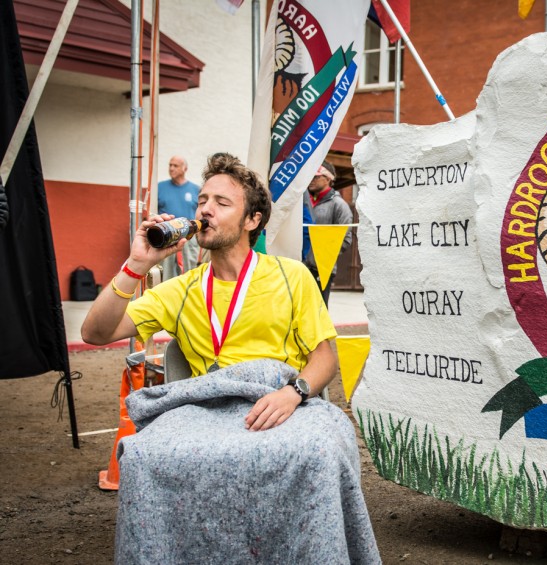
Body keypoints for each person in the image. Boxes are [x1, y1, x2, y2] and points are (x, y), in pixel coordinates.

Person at [82, 152, 337, 430]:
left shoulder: (292, 276)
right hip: (207, 419)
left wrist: (293, 393)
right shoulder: (180, 290)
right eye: (202, 201)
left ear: (252, 220)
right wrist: (135, 265)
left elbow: (324, 358)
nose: (205, 210)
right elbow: (96, 333)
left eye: (221, 203)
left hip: (275, 410)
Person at [304, 160, 353, 305]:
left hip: (322, 269)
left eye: (316, 176)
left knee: (319, 311)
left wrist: (323, 255)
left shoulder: (339, 205)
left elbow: (345, 238)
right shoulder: (305, 202)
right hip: (300, 266)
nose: (311, 180)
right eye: (310, 176)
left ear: (328, 179)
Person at [157, 155, 201, 280]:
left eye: (175, 166)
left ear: (184, 168)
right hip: (167, 235)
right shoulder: (160, 188)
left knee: (189, 271)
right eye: (170, 165)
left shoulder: (195, 190)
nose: (171, 168)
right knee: (166, 273)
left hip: (189, 236)